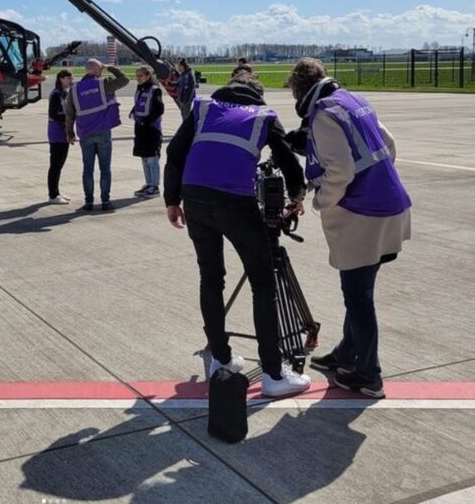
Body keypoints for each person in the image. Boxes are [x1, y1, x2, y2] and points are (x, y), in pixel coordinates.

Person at [164, 69, 312, 397]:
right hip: (235, 201)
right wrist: (297, 198)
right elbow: (287, 159)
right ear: (257, 94)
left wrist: (172, 199)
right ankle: (274, 374)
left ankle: (221, 359)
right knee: (262, 284)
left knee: (211, 277)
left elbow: (175, 153)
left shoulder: (203, 108)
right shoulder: (263, 115)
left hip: (196, 198)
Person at [286, 58, 411, 399]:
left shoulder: (324, 115)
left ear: (299, 89)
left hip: (362, 217)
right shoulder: (353, 101)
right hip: (390, 207)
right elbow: (390, 144)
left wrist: (321, 202)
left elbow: (339, 171)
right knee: (360, 291)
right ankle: (345, 354)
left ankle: (369, 374)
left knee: (358, 298)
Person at [65, 58, 129, 212]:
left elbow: (69, 113)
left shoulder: (74, 90)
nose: (101, 72)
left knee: (88, 169)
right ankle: (105, 201)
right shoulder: (103, 84)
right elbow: (124, 80)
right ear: (96, 70)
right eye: (100, 69)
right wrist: (111, 68)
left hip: (85, 133)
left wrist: (70, 133)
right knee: (105, 169)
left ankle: (89, 202)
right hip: (103, 132)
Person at [129, 65, 164, 197]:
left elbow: (159, 109)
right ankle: (148, 183)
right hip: (140, 128)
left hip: (151, 129)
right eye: (137, 76)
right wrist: (133, 113)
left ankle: (155, 186)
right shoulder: (139, 90)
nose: (138, 78)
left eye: (141, 75)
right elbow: (138, 105)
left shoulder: (155, 90)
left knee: (152, 158)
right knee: (144, 157)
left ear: (148, 75)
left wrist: (146, 121)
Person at [46, 70, 74, 204]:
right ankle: (53, 195)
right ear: (61, 78)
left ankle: (56, 191)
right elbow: (54, 114)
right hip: (57, 132)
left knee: (59, 164)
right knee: (56, 165)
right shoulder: (56, 94)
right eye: (68, 78)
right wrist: (69, 118)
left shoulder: (64, 93)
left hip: (63, 132)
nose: (71, 80)